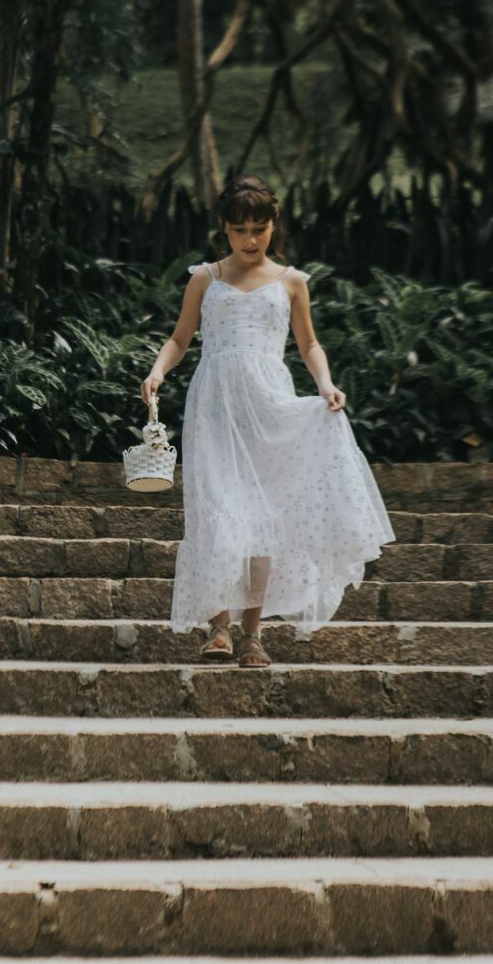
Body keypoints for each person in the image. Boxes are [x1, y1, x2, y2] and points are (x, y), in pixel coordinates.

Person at [141, 174, 396, 668]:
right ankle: (218, 629)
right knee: (215, 511)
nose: (252, 239)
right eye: (240, 229)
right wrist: (157, 371)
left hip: (268, 405)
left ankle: (252, 635)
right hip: (213, 405)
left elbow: (309, 344)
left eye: (261, 228)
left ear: (275, 225)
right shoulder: (205, 278)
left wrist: (325, 384)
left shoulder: (292, 282)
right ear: (224, 228)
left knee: (260, 521)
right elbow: (179, 338)